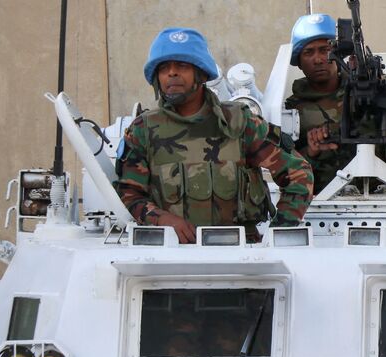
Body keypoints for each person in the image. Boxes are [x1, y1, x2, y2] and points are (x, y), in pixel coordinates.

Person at [117, 28, 314, 243]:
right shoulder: (143, 130)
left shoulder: (239, 123)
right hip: (172, 256)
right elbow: (129, 192)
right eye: (164, 68)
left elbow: (298, 174)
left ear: (201, 73)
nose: (172, 73)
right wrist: (161, 219)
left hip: (241, 256)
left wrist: (277, 235)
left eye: (182, 65)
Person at [285, 14, 386, 195]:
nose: (318, 59)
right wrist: (311, 151)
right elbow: (283, 169)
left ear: (339, 53)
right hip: (324, 200)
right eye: (308, 52)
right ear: (298, 61)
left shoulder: (376, 87)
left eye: (324, 50)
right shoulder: (291, 110)